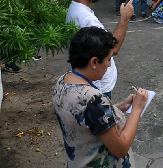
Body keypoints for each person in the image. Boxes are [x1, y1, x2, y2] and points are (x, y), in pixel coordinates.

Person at [53, 27, 148, 167]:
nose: (109, 65)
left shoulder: (63, 82)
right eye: (109, 59)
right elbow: (121, 148)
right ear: (94, 62)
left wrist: (118, 107)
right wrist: (137, 109)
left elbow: (86, 118)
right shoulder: (94, 99)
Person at [66, 0, 134, 98]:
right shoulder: (87, 19)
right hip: (98, 85)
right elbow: (112, 49)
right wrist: (125, 18)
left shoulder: (74, 8)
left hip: (88, 81)